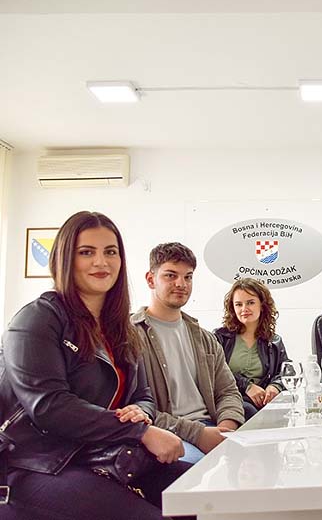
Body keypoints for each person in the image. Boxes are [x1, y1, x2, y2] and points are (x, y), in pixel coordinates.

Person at [0, 211, 189, 520]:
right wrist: (140, 431)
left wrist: (140, 412)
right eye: (86, 252)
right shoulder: (36, 319)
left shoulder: (122, 328)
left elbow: (143, 395)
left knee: (207, 499)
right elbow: (49, 406)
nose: (101, 262)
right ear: (64, 259)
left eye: (110, 252)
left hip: (102, 455)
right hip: (37, 464)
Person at [132, 242, 244, 464]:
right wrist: (198, 435)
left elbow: (228, 391)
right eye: (171, 275)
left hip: (214, 428)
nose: (181, 284)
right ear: (150, 279)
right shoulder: (130, 337)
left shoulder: (204, 337)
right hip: (169, 435)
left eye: (188, 277)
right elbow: (135, 409)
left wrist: (226, 429)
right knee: (198, 469)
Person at [213, 278, 291, 420]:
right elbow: (214, 372)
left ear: (262, 305)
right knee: (249, 411)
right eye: (238, 304)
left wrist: (275, 386)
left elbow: (287, 371)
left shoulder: (274, 341)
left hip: (263, 403)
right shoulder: (220, 337)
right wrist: (247, 386)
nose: (244, 309)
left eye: (250, 302)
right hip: (229, 400)